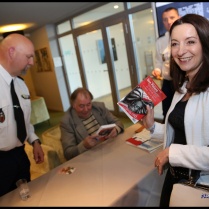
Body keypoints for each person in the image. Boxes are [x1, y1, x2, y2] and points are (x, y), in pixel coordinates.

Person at [142, 13, 209, 206]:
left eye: (190, 42)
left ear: (204, 43)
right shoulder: (184, 87)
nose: (181, 51)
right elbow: (185, 133)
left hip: (200, 187)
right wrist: (152, 127)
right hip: (175, 179)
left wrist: (173, 153)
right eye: (174, 44)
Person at [0, 33, 44, 197]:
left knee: (25, 197)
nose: (32, 62)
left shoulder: (21, 85)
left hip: (20, 155)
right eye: (29, 57)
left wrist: (34, 141)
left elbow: (25, 120)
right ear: (11, 52)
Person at [60, 87, 124, 160]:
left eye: (88, 104)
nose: (86, 109)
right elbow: (68, 153)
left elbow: (118, 122)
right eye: (81, 106)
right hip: (90, 158)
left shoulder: (99, 107)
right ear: (73, 105)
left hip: (109, 148)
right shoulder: (67, 121)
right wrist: (84, 145)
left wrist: (116, 129)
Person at [152, 7, 180, 122]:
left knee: (181, 112)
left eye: (172, 17)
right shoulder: (160, 41)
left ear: (179, 17)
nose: (168, 22)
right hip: (167, 83)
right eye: (165, 19)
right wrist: (157, 70)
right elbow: (159, 61)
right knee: (166, 112)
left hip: (183, 83)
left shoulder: (186, 38)